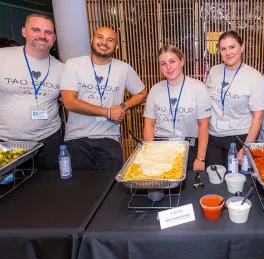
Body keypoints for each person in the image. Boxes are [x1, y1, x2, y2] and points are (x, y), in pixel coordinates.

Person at [60, 27, 147, 170]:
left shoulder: (123, 68)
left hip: (109, 138)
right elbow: (69, 102)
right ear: (92, 40)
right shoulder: (74, 64)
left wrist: (121, 107)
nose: (104, 42)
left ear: (116, 46)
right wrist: (107, 112)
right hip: (76, 138)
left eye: (110, 40)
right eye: (100, 37)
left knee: (111, 187)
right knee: (78, 188)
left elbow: (142, 94)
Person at [0, 13, 64, 170]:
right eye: (36, 29)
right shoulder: (3, 57)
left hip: (50, 141)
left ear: (54, 38)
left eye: (48, 32)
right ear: (24, 32)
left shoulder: (62, 68)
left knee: (53, 187)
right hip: (8, 143)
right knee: (12, 191)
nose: (42, 36)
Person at [143, 45, 211, 170]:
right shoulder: (155, 90)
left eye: (172, 61)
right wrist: (150, 152)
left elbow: (203, 126)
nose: (168, 67)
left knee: (189, 188)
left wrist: (200, 158)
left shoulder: (198, 88)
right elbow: (149, 124)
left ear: (182, 61)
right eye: (163, 63)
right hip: (160, 148)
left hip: (189, 147)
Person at [205, 30, 264, 166]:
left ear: (242, 47)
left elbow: (259, 116)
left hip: (239, 138)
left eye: (232, 47)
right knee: (213, 180)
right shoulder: (214, 71)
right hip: (213, 137)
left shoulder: (254, 76)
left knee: (237, 182)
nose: (228, 52)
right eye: (223, 49)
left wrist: (246, 147)